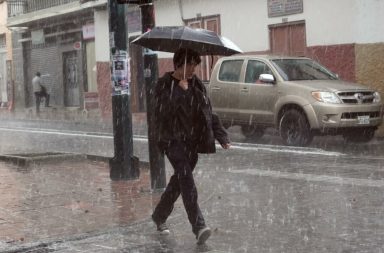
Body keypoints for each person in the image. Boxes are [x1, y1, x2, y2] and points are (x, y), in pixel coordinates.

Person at [151, 48, 231, 245]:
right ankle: (199, 227)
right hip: (172, 141)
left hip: (192, 143)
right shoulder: (164, 85)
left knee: (179, 182)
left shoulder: (196, 84)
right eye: (191, 64)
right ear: (179, 64)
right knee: (187, 182)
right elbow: (161, 114)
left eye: (196, 65)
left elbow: (207, 111)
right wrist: (179, 91)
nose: (194, 68)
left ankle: (159, 216)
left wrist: (221, 135)